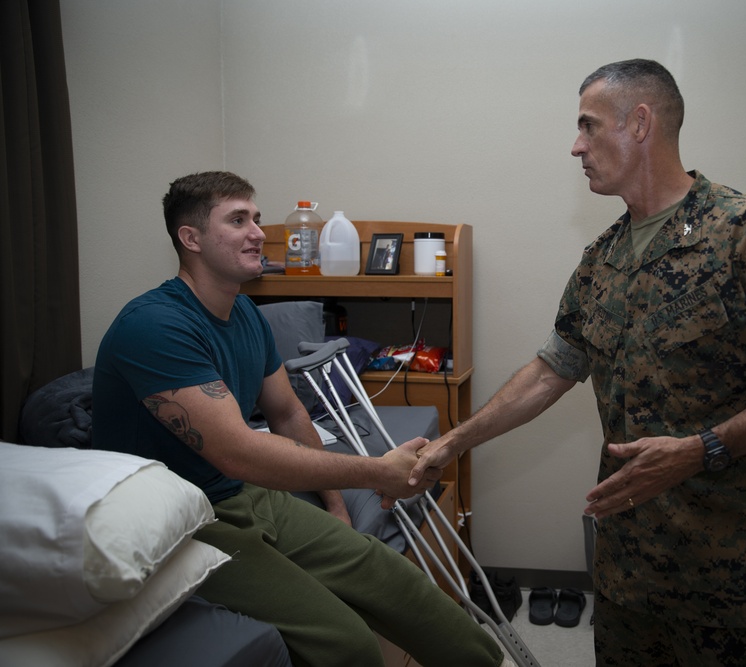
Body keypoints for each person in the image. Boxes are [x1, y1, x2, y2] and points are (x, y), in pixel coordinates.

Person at [409, 59, 746, 666]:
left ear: (640, 123)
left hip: (736, 575)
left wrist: (705, 447)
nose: (576, 147)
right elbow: (549, 372)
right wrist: (451, 443)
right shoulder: (602, 259)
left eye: (588, 127)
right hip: (629, 576)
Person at [91, 171, 509, 667]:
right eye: (238, 220)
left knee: (397, 584)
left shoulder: (245, 315)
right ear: (191, 238)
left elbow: (287, 413)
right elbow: (238, 451)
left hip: (241, 494)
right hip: (180, 517)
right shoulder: (154, 326)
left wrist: (335, 505)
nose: (258, 232)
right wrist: (377, 471)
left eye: (257, 218)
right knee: (345, 639)